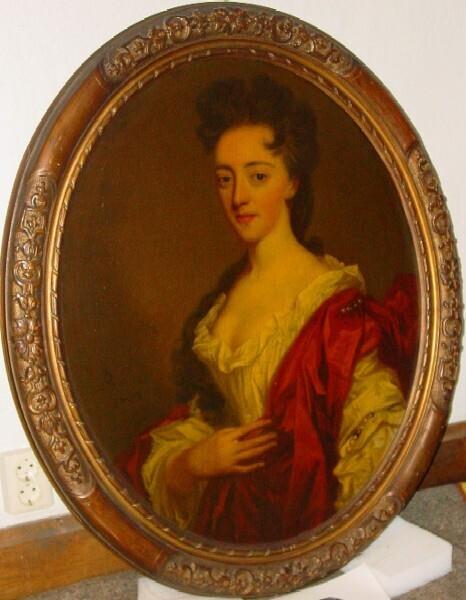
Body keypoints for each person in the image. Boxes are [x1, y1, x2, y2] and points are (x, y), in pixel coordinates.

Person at [118, 76, 416, 544]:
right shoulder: (220, 304)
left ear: (292, 181)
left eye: (258, 176)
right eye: (225, 179)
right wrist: (194, 461)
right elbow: (208, 419)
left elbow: (373, 440)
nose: (238, 197)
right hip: (225, 526)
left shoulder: (335, 309)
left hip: (301, 523)